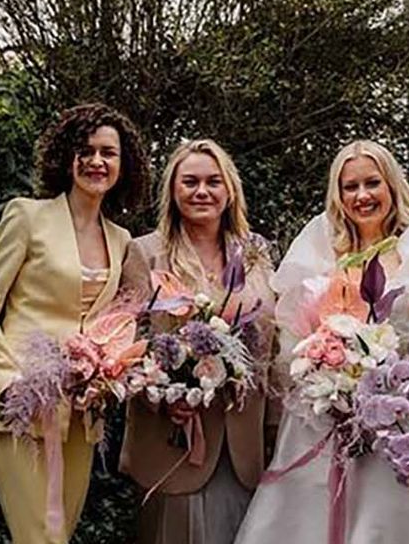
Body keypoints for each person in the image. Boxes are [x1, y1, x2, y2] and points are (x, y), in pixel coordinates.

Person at [234, 139, 409, 544]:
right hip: (327, 418)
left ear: (391, 186)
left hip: (404, 419)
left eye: (372, 183)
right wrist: (327, 374)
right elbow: (292, 341)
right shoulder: (322, 252)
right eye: (351, 187)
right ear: (338, 195)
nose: (362, 196)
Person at [0, 103, 149, 544]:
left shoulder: (121, 240)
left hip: (82, 412)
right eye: (86, 150)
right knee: (38, 537)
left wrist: (107, 372)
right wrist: (10, 384)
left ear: (123, 165)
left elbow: (117, 322)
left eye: (108, 153)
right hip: (23, 405)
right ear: (67, 157)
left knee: (60, 533)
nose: (96, 161)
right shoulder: (26, 216)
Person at [119, 138, 276, 544]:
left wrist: (276, 428)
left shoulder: (255, 252)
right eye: (190, 182)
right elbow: (127, 343)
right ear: (173, 190)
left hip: (244, 443)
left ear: (230, 190)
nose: (202, 191)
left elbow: (274, 342)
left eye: (213, 182)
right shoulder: (145, 253)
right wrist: (162, 397)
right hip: (176, 441)